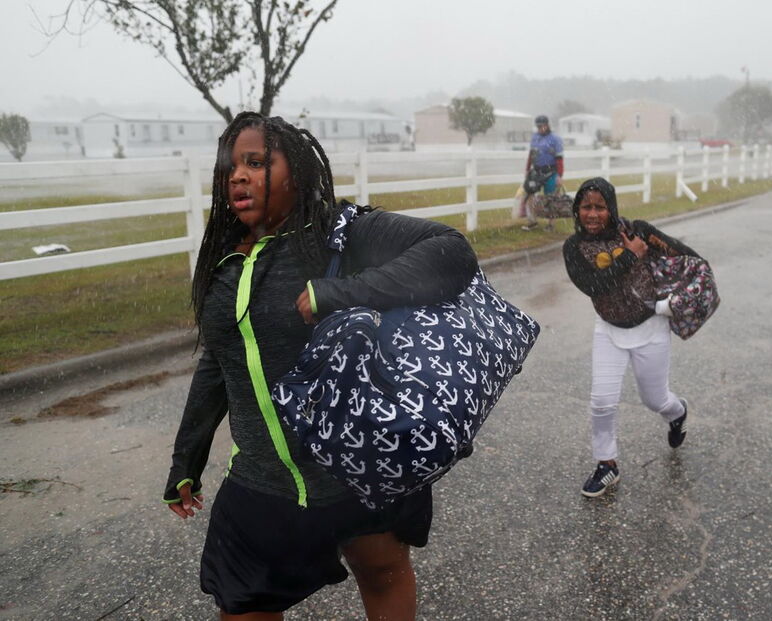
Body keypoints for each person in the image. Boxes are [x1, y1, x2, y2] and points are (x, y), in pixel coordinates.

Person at [162, 112, 478, 620]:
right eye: (229, 168)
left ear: (299, 170)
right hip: (265, 484)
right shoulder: (225, 258)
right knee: (242, 604)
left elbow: (451, 252)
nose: (236, 177)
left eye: (256, 162)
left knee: (382, 572)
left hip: (360, 466)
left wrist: (338, 292)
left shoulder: (342, 233)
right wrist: (186, 459)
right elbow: (221, 360)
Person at [562, 177, 701, 498]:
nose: (593, 214)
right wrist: (629, 256)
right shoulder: (574, 247)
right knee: (601, 401)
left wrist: (675, 296)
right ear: (577, 210)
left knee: (655, 400)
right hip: (608, 330)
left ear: (611, 208)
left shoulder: (637, 231)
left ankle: (677, 412)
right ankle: (607, 464)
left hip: (650, 329)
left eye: (600, 207)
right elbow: (592, 286)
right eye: (586, 207)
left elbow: (686, 258)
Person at [520, 115, 564, 231]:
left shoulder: (555, 139)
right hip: (536, 171)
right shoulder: (535, 138)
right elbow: (531, 154)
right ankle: (532, 221)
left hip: (551, 171)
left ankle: (551, 224)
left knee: (551, 198)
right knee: (529, 195)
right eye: (538, 126)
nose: (540, 128)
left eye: (542, 126)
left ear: (547, 125)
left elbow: (559, 158)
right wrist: (527, 169)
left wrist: (559, 175)